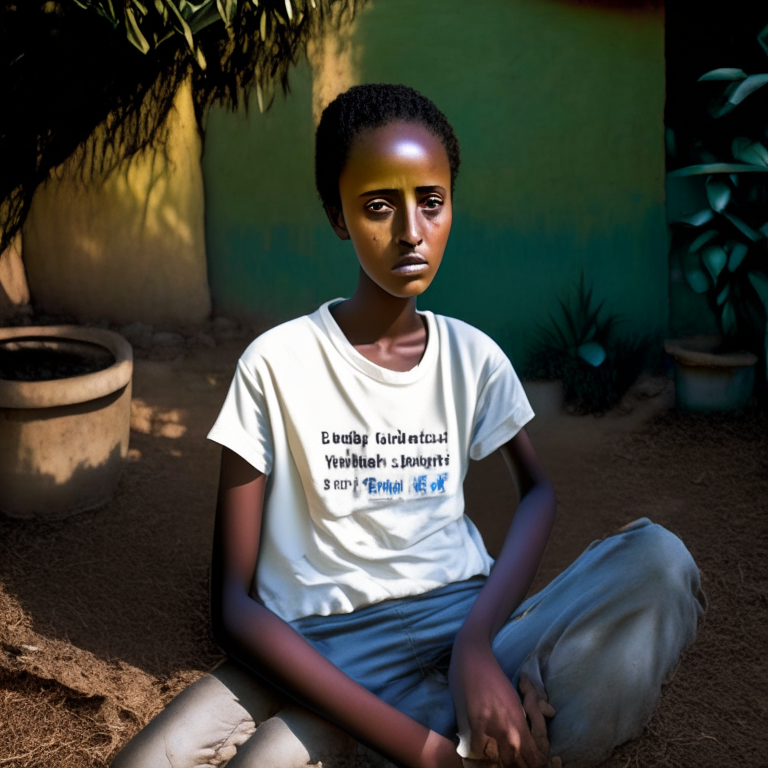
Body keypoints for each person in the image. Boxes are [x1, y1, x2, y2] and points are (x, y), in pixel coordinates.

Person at [111, 84, 706, 768]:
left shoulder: (471, 355)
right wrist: (420, 748)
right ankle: (451, 739)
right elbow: (234, 608)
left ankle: (490, 727)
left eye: (431, 201)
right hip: (315, 650)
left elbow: (537, 490)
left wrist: (478, 650)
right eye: (376, 206)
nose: (411, 231)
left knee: (659, 559)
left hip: (465, 625)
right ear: (338, 216)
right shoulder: (275, 364)